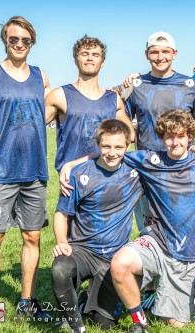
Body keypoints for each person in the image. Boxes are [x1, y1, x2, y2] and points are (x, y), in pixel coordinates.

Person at [0, 16, 52, 330]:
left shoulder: (41, 77)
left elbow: (55, 109)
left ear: (32, 43)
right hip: (0, 171)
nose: (19, 45)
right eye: (13, 40)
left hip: (34, 172)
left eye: (25, 41)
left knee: (32, 236)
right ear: (5, 40)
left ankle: (27, 303)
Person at [109, 110, 195, 333]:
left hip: (187, 253)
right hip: (157, 242)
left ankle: (160, 295)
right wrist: (72, 165)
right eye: (169, 137)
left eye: (180, 136)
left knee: (177, 325)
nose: (175, 142)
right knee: (120, 264)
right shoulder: (150, 160)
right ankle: (139, 321)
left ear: (190, 137)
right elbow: (112, 154)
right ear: (162, 138)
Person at [0, 35, 134, 173]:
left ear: (102, 62)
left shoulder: (113, 99)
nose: (90, 59)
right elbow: (28, 125)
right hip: (71, 175)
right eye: (84, 54)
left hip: (107, 174)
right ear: (76, 59)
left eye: (95, 55)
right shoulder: (59, 95)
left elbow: (131, 135)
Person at [51, 119, 142, 333]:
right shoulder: (79, 175)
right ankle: (75, 325)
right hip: (81, 250)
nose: (112, 152)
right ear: (98, 145)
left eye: (118, 147)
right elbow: (61, 214)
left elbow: (170, 158)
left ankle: (84, 301)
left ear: (127, 146)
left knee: (105, 324)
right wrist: (62, 242)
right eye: (106, 146)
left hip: (113, 257)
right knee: (60, 267)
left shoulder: (136, 170)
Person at [120, 31, 195, 236]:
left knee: (181, 224)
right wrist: (122, 87)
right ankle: (149, 266)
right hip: (147, 166)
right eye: (154, 52)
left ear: (175, 53)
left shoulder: (190, 85)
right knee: (149, 227)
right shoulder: (136, 86)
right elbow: (119, 114)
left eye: (166, 51)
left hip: (181, 166)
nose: (160, 57)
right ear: (146, 54)